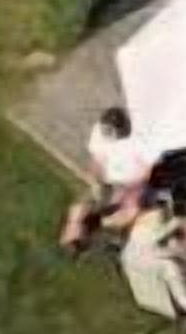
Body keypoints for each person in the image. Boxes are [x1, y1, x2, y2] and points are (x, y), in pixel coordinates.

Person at [56, 105, 162, 255]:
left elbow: (146, 172)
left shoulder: (142, 140)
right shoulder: (100, 132)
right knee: (84, 201)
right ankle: (73, 231)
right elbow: (96, 161)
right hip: (108, 179)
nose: (105, 133)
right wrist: (96, 182)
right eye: (104, 130)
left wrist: (130, 190)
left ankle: (101, 225)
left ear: (121, 130)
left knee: (130, 211)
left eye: (109, 131)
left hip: (132, 183)